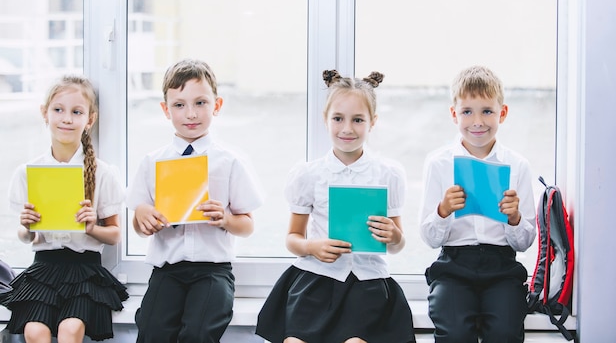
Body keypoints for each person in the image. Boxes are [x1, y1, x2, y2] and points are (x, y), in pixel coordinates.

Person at [256, 70, 416, 343]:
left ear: (372, 122)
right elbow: (293, 238)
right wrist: (311, 247)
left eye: (358, 120)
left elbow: (398, 245)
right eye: (338, 119)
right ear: (325, 119)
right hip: (316, 281)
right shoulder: (309, 175)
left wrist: (395, 236)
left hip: (368, 284)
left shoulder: (387, 173)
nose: (347, 129)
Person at [127, 58, 264, 343]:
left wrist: (225, 219)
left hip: (212, 272)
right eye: (179, 105)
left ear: (217, 105)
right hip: (167, 270)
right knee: (151, 333)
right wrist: (143, 216)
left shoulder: (230, 161)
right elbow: (139, 226)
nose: (191, 113)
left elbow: (248, 225)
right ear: (166, 110)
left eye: (200, 102)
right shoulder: (152, 162)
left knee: (199, 334)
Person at [2, 75, 128, 342]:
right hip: (44, 267)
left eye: (76, 112)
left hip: (85, 270)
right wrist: (26, 227)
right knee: (34, 331)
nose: (67, 118)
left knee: (70, 329)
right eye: (58, 110)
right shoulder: (28, 172)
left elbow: (116, 234)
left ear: (89, 120)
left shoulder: (103, 173)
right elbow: (29, 238)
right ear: (45, 114)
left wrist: (92, 227)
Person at [419, 65, 536, 343]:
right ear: (454, 114)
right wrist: (443, 211)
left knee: (505, 332)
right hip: (453, 267)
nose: (478, 121)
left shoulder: (517, 165)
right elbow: (429, 238)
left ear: (502, 113)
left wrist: (515, 218)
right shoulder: (439, 163)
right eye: (467, 112)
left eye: (487, 111)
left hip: (502, 268)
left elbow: (525, 242)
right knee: (455, 331)